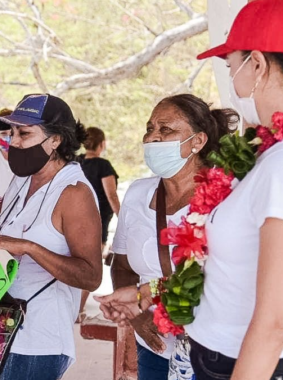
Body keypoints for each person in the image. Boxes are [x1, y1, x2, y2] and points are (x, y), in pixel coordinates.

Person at [186, 1, 283, 378]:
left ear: (257, 64)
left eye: (231, 66)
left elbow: (276, 320)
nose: (231, 79)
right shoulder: (270, 153)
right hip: (220, 353)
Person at [95, 94, 237, 380]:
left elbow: (230, 276)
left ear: (197, 141)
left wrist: (147, 294)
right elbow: (121, 266)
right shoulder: (138, 194)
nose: (152, 138)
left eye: (166, 129)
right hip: (155, 348)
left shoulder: (230, 193)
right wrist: (138, 316)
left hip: (215, 352)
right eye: (150, 129)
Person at [0, 94, 103, 380]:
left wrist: (30, 248)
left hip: (38, 342)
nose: (14, 141)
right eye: (11, 132)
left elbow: (91, 275)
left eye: (24, 133)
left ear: (55, 140)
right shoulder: (23, 178)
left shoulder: (73, 192)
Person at [76, 126, 120, 323]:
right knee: (90, 266)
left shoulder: (76, 162)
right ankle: (77, 310)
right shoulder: (103, 166)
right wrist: (124, 218)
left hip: (75, 218)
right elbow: (111, 195)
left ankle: (74, 308)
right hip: (97, 220)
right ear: (102, 144)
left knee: (75, 263)